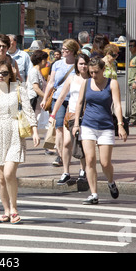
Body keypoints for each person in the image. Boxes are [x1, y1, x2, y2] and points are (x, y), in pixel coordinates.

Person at [0, 60, 40, 224]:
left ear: (10, 74)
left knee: (8, 173)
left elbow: (28, 110)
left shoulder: (18, 89)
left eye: (4, 73)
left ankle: (14, 209)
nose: (0, 76)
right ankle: (6, 210)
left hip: (14, 133)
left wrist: (34, 131)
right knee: (0, 177)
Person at [72, 57, 127, 205]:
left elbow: (117, 105)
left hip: (106, 127)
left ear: (103, 70)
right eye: (91, 72)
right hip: (88, 125)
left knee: (104, 162)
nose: (94, 75)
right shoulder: (86, 83)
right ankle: (94, 194)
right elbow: (79, 104)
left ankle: (110, 182)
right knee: (89, 160)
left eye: (96, 72)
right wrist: (76, 123)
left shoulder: (112, 83)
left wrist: (120, 124)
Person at [50, 53, 90, 185]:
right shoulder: (72, 78)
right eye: (81, 64)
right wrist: (53, 114)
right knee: (67, 142)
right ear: (76, 65)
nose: (83, 66)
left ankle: (82, 170)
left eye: (85, 64)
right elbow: (61, 97)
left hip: (86, 115)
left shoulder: (91, 79)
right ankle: (66, 172)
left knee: (82, 144)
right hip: (71, 114)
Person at [40, 39, 78, 167]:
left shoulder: (78, 64)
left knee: (71, 128)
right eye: (62, 49)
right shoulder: (57, 64)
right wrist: (45, 99)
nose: (62, 52)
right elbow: (51, 82)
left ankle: (69, 151)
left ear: (72, 51)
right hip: (58, 99)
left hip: (73, 100)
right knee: (59, 127)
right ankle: (60, 156)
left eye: (65, 50)